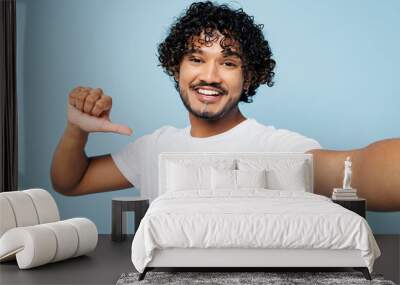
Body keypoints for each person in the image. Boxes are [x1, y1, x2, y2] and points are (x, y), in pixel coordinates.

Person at [51, 1, 400, 211]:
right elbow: (71, 181)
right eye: (196, 59)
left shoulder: (277, 147)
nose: (210, 75)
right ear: (177, 69)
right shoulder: (155, 146)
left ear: (248, 79)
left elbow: (364, 169)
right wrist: (75, 131)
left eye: (229, 63)